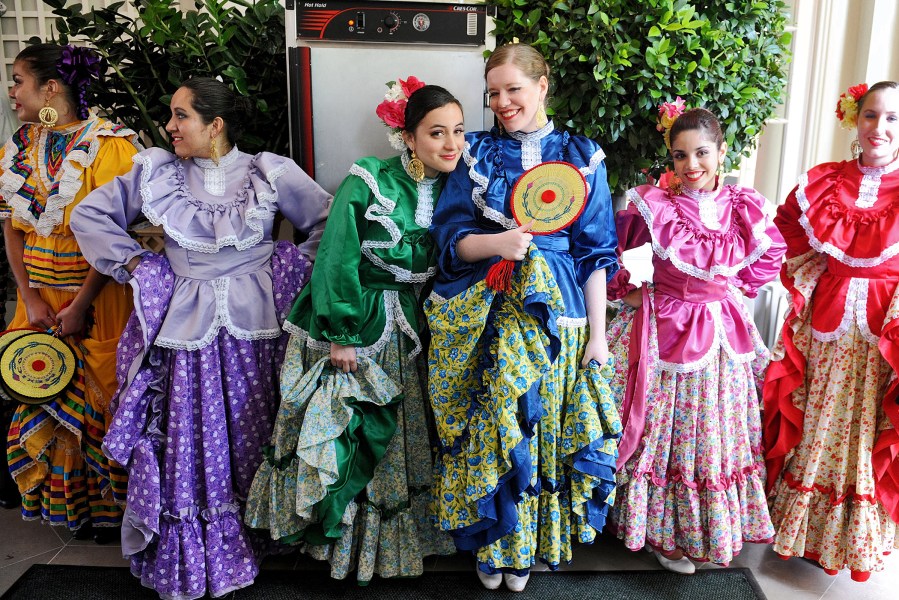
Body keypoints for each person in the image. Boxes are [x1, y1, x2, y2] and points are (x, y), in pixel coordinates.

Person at [69, 77, 331, 599]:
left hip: (258, 332)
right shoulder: (157, 172)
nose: (169, 126)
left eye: (180, 115)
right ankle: (206, 554)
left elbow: (328, 223)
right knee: (193, 438)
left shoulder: (268, 171)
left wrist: (289, 269)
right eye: (172, 115)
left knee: (254, 432)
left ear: (215, 125)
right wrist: (141, 265)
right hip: (186, 333)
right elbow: (90, 215)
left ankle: (260, 539)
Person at [244, 81, 463, 582]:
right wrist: (341, 333)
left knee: (399, 439)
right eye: (436, 133)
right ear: (408, 137)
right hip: (358, 321)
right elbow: (336, 252)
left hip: (414, 328)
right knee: (352, 433)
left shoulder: (459, 185)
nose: (450, 143)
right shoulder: (370, 177)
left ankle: (387, 550)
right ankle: (339, 549)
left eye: (457, 131)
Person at [426, 43, 621, 593]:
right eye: (493, 93)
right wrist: (500, 242)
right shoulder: (475, 153)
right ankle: (495, 544)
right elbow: (449, 243)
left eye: (513, 89)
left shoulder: (584, 154)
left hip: (561, 315)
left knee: (543, 430)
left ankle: (529, 547)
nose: (502, 102)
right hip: (493, 309)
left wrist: (599, 341)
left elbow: (596, 255)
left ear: (542, 85)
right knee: (498, 426)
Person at [605, 105, 785, 574]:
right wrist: (625, 294)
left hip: (721, 331)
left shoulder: (744, 206)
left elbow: (767, 260)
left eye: (702, 153)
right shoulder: (656, 204)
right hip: (666, 330)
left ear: (722, 152)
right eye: (680, 155)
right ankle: (667, 533)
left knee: (714, 429)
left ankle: (707, 528)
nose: (691, 166)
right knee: (667, 429)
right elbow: (617, 251)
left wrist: (729, 290)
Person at [1, 43, 140, 541]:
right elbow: (10, 228)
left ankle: (113, 514)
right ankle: (71, 512)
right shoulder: (20, 147)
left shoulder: (112, 147)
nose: (12, 91)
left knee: (103, 397)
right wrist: (30, 295)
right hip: (39, 299)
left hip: (98, 300)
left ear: (51, 88)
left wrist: (80, 305)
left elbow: (115, 239)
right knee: (44, 389)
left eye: (18, 80)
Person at [764, 81, 899, 582]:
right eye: (870, 116)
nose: (879, 128)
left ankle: (855, 541)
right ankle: (803, 533)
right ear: (854, 119)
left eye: (891, 119)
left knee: (866, 430)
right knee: (817, 416)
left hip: (883, 333)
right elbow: (789, 231)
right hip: (826, 323)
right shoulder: (825, 181)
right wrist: (813, 278)